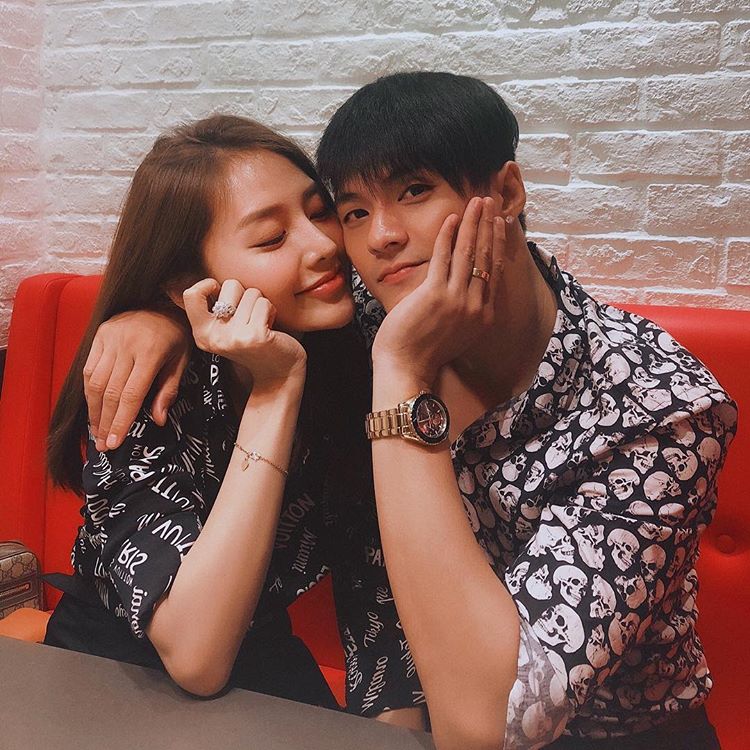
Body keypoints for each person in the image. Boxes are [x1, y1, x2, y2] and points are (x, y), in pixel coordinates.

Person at [80, 73, 736, 749]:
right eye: (353, 211)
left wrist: (400, 372)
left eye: (415, 191)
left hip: (615, 734)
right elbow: (378, 608)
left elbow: (488, 725)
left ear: (507, 193)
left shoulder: (657, 406)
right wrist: (156, 320)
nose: (376, 238)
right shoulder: (347, 327)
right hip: (156, 686)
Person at [46, 112, 491, 720]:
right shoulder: (145, 385)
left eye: (320, 211)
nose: (324, 245)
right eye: (272, 238)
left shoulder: (369, 338)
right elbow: (196, 658)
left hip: (260, 650)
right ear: (188, 283)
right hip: (115, 666)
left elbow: (378, 585)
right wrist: (274, 388)